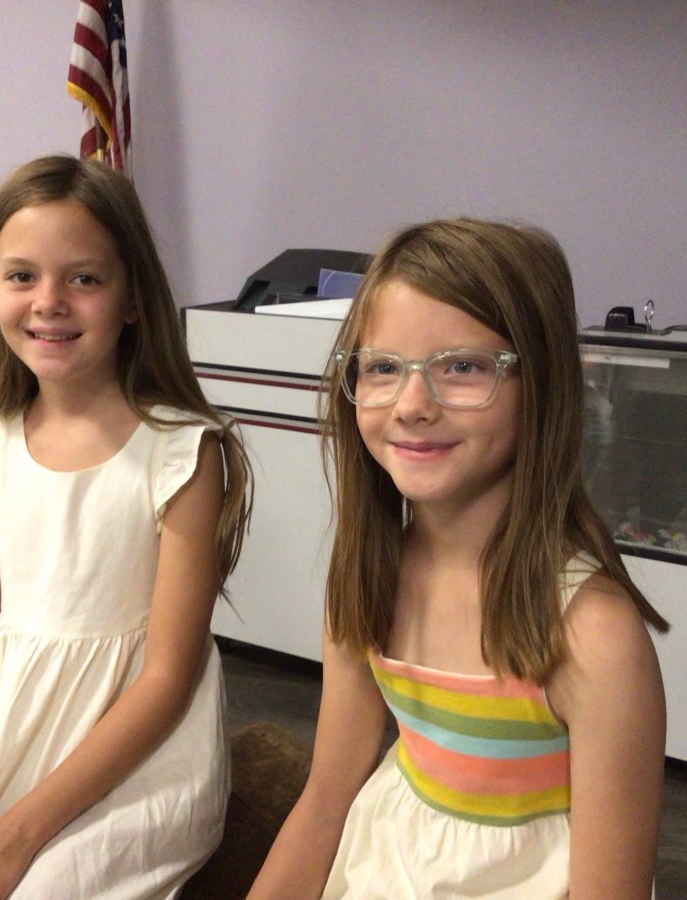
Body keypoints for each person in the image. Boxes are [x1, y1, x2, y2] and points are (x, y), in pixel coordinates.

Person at [0, 154, 251, 900]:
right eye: (22, 276)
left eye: (84, 279)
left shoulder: (181, 451)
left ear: (133, 297)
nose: (49, 302)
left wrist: (10, 843)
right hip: (8, 728)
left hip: (139, 753)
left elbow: (167, 679)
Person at [248, 219, 668, 899]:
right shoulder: (368, 577)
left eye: (464, 367)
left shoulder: (594, 636)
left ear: (544, 383)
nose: (413, 405)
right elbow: (326, 800)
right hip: (389, 865)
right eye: (383, 367)